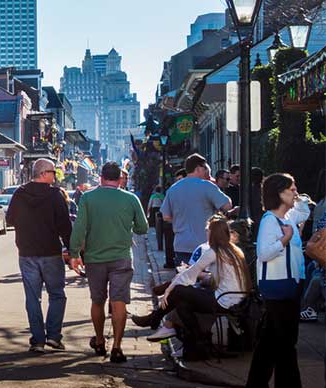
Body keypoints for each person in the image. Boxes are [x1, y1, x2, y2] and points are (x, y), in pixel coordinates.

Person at [133, 215, 248, 361]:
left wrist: (168, 291)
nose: (206, 234)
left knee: (179, 291)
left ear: (213, 233)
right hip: (234, 299)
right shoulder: (234, 250)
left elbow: (189, 274)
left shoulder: (214, 251)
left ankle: (155, 318)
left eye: (208, 231)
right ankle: (197, 344)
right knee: (182, 303)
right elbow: (218, 277)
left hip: (224, 300)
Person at [69, 161, 149, 364]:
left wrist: (74, 253)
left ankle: (99, 340)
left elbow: (79, 228)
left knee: (97, 301)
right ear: (120, 179)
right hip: (121, 258)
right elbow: (142, 228)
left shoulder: (88, 198)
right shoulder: (131, 199)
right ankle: (117, 347)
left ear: (102, 178)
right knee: (119, 301)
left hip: (95, 259)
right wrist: (127, 227)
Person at [246, 173, 311, 388]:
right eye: (291, 189)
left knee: (271, 340)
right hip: (279, 287)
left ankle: (256, 382)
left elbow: (304, 212)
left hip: (290, 285)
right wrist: (284, 240)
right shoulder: (269, 221)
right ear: (278, 194)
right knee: (285, 343)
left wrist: (299, 197)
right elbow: (264, 253)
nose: (295, 192)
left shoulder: (288, 216)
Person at [7, 158, 72, 353]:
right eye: (53, 172)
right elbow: (65, 226)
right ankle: (53, 336)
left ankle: (37, 340)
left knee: (33, 298)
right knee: (57, 295)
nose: (56, 176)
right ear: (44, 174)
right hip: (51, 252)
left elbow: (10, 219)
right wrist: (71, 249)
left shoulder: (20, 194)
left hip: (27, 253)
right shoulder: (55, 196)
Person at [160, 154, 232, 271]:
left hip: (181, 246)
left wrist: (182, 219)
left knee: (185, 283)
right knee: (206, 283)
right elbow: (227, 206)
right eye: (205, 169)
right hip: (205, 246)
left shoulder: (173, 189)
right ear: (198, 168)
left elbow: (166, 216)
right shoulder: (207, 186)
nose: (206, 172)